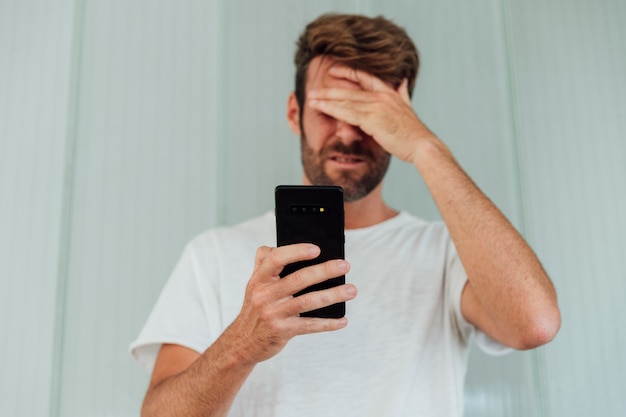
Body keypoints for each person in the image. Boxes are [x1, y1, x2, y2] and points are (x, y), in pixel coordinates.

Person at [130, 13, 561, 417]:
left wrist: (425, 148)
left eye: (369, 113)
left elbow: (535, 324)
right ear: (294, 113)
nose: (349, 132)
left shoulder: (449, 255)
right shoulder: (213, 254)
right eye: (331, 109)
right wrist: (244, 342)